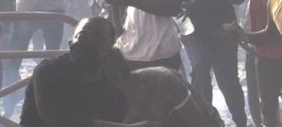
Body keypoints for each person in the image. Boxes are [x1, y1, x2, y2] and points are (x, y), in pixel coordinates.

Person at [23, 17, 217, 127]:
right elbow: (59, 119)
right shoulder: (49, 71)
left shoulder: (109, 88)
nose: (90, 43)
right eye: (83, 36)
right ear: (70, 43)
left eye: (99, 39)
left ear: (109, 50)